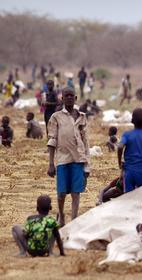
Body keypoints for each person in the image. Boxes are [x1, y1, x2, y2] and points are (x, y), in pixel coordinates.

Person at [47, 87, 89, 227]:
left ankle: (74, 221)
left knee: (76, 193)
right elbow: (52, 140)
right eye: (67, 96)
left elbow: (85, 142)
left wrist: (87, 164)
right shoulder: (56, 117)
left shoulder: (82, 117)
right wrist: (51, 164)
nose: (69, 98)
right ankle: (62, 217)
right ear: (62, 99)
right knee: (61, 193)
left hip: (78, 160)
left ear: (76, 98)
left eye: (72, 95)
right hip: (62, 160)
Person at [117, 108, 142, 193]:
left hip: (128, 173)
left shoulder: (127, 134)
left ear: (132, 120)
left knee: (128, 198)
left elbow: (120, 147)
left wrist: (119, 162)